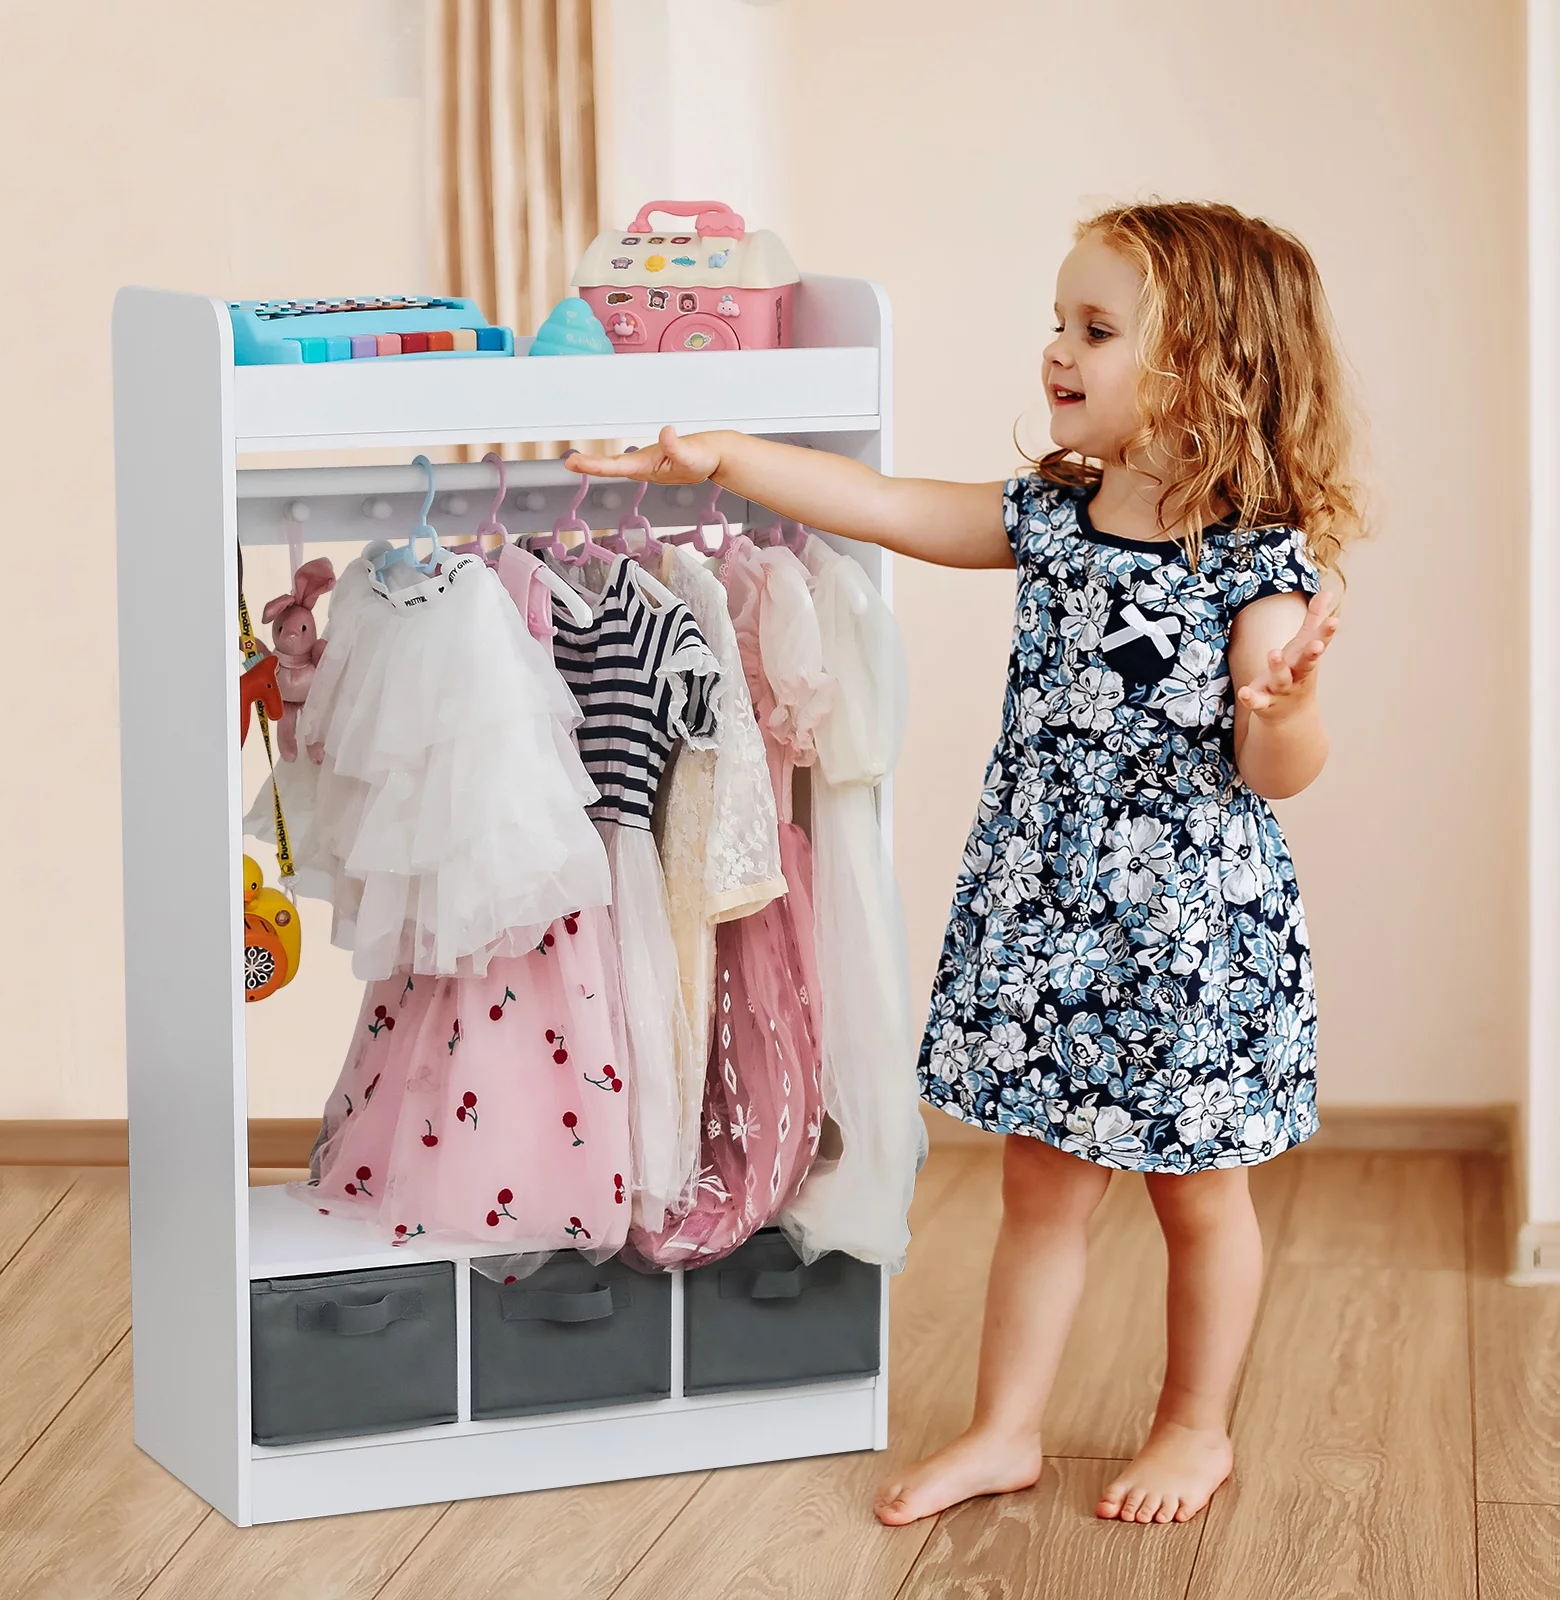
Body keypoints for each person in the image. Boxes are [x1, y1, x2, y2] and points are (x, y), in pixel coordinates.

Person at [566, 199, 1360, 1529]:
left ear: (1214, 365)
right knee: (1041, 1184)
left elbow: (1281, 770)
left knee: (1198, 1200)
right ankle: (1004, 1430)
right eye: (1058, 322)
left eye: (1096, 329)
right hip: (1050, 918)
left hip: (1187, 946)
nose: (1057, 349)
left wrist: (1281, 711)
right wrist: (726, 457)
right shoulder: (1054, 518)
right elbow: (882, 505)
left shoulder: (1256, 567)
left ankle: (1192, 1424)